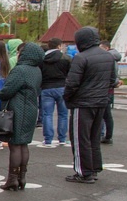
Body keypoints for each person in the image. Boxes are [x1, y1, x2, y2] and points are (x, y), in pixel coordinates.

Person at [63, 27, 115, 184]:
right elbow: (112, 80)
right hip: (101, 102)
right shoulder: (108, 56)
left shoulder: (81, 58)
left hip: (83, 103)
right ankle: (94, 168)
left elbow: (72, 83)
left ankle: (83, 172)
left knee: (80, 138)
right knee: (94, 137)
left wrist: (68, 98)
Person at [0, 43, 43, 190]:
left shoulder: (20, 70)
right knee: (23, 144)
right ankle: (21, 177)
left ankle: (12, 179)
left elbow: (7, 91)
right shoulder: (36, 70)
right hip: (30, 108)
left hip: (17, 109)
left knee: (15, 144)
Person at [39, 38, 70, 146]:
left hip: (46, 88)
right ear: (59, 46)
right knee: (63, 114)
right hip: (62, 88)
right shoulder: (66, 58)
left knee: (47, 114)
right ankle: (62, 138)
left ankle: (48, 139)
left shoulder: (42, 59)